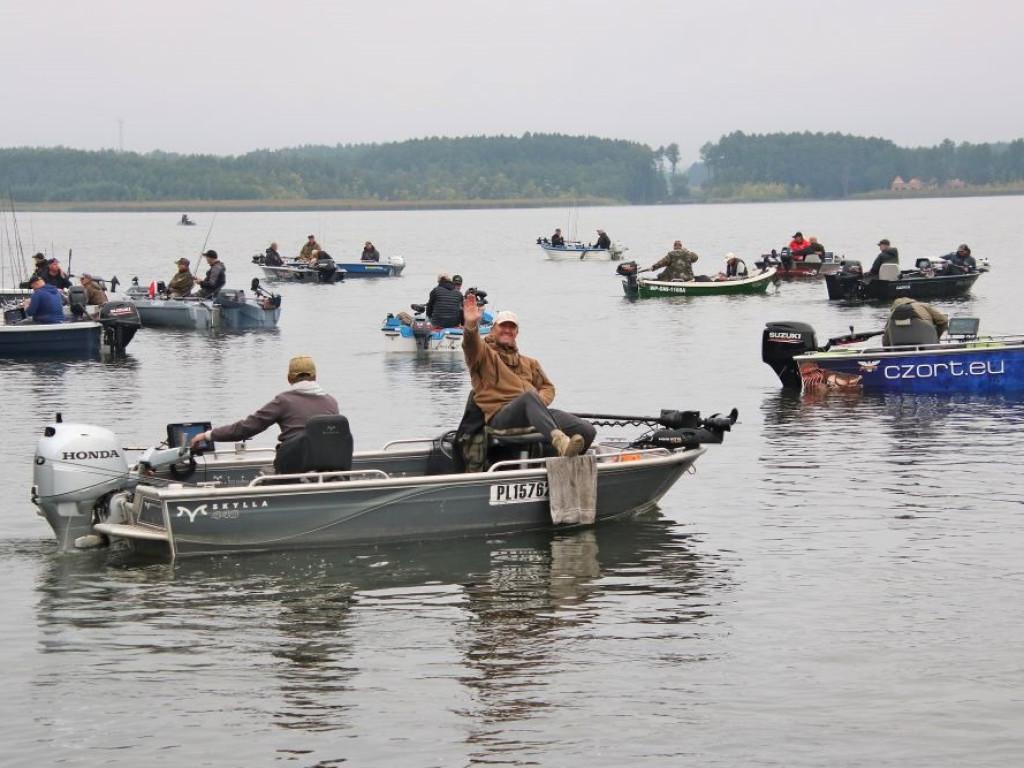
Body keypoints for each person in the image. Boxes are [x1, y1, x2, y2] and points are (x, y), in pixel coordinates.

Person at [462, 295, 595, 458]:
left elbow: (547, 387)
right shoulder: (483, 355)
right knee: (529, 397)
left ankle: (553, 461)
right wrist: (470, 325)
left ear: (517, 333)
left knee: (586, 430)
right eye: (503, 325)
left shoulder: (529, 363)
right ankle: (560, 442)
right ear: (492, 329)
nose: (507, 330)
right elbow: (470, 345)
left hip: (532, 412)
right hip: (500, 417)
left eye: (512, 327)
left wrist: (539, 403)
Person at [189, 356, 340, 472]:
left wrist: (208, 435)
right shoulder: (331, 402)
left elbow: (246, 428)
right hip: (329, 469)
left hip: (294, 468)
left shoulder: (284, 401)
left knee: (264, 473)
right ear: (315, 377)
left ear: (289, 378)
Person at [882, 298, 949, 346]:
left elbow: (886, 340)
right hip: (927, 347)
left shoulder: (891, 314)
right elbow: (943, 321)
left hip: (900, 352)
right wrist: (936, 336)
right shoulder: (925, 306)